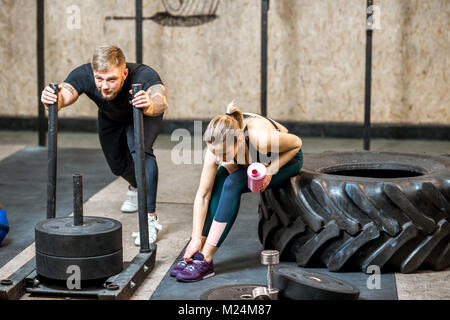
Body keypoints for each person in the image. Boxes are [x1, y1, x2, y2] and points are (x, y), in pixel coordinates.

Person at [40, 45, 168, 245]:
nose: (105, 86)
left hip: (143, 112)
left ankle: (150, 219)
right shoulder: (85, 74)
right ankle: (136, 186)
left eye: (112, 80)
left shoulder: (143, 75)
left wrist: (149, 103)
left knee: (140, 151)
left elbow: (160, 99)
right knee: (116, 165)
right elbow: (65, 94)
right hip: (110, 116)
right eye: (100, 79)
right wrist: (53, 99)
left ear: (124, 74)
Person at [170, 103, 303, 282]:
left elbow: (297, 144)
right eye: (214, 153)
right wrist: (195, 237)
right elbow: (203, 195)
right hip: (251, 159)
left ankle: (206, 259)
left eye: (223, 154)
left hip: (285, 159)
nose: (218, 159)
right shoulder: (217, 147)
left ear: (239, 140)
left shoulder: (259, 137)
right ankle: (197, 251)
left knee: (233, 182)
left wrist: (271, 170)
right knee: (218, 179)